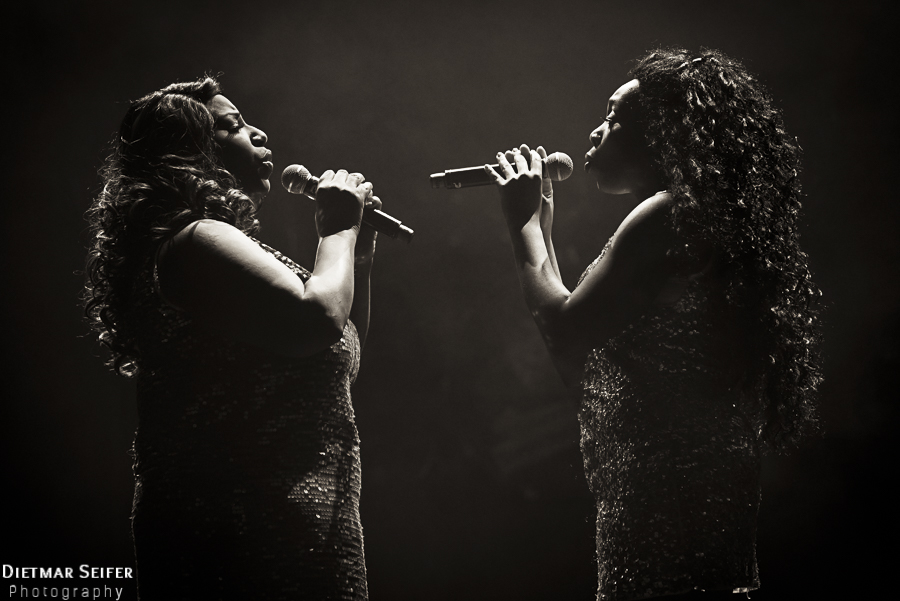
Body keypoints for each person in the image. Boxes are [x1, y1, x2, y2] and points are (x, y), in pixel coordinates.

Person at [485, 48, 822, 600]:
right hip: (687, 489)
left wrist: (520, 218)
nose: (596, 131)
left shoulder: (666, 215)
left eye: (615, 118)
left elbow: (564, 330)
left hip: (667, 495)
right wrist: (540, 220)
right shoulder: (699, 215)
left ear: (664, 135)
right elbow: (580, 335)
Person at [84, 76, 379, 600]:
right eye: (233, 126)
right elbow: (317, 322)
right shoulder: (195, 241)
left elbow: (339, 345)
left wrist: (356, 254)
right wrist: (337, 231)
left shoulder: (223, 247)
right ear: (189, 153)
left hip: (300, 535)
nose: (260, 134)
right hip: (243, 536)